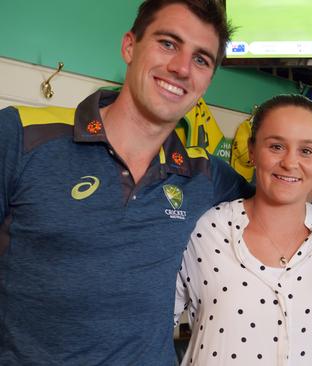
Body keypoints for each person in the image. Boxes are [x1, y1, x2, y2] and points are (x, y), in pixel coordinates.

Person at [0, 0, 252, 364]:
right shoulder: (21, 135)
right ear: (129, 46)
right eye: (168, 43)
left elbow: (278, 198)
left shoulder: (204, 175)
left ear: (208, 80)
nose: (181, 67)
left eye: (201, 59)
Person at [174, 94, 312, 365]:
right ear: (252, 150)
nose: (290, 162)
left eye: (307, 150)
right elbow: (150, 325)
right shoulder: (205, 230)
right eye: (276, 146)